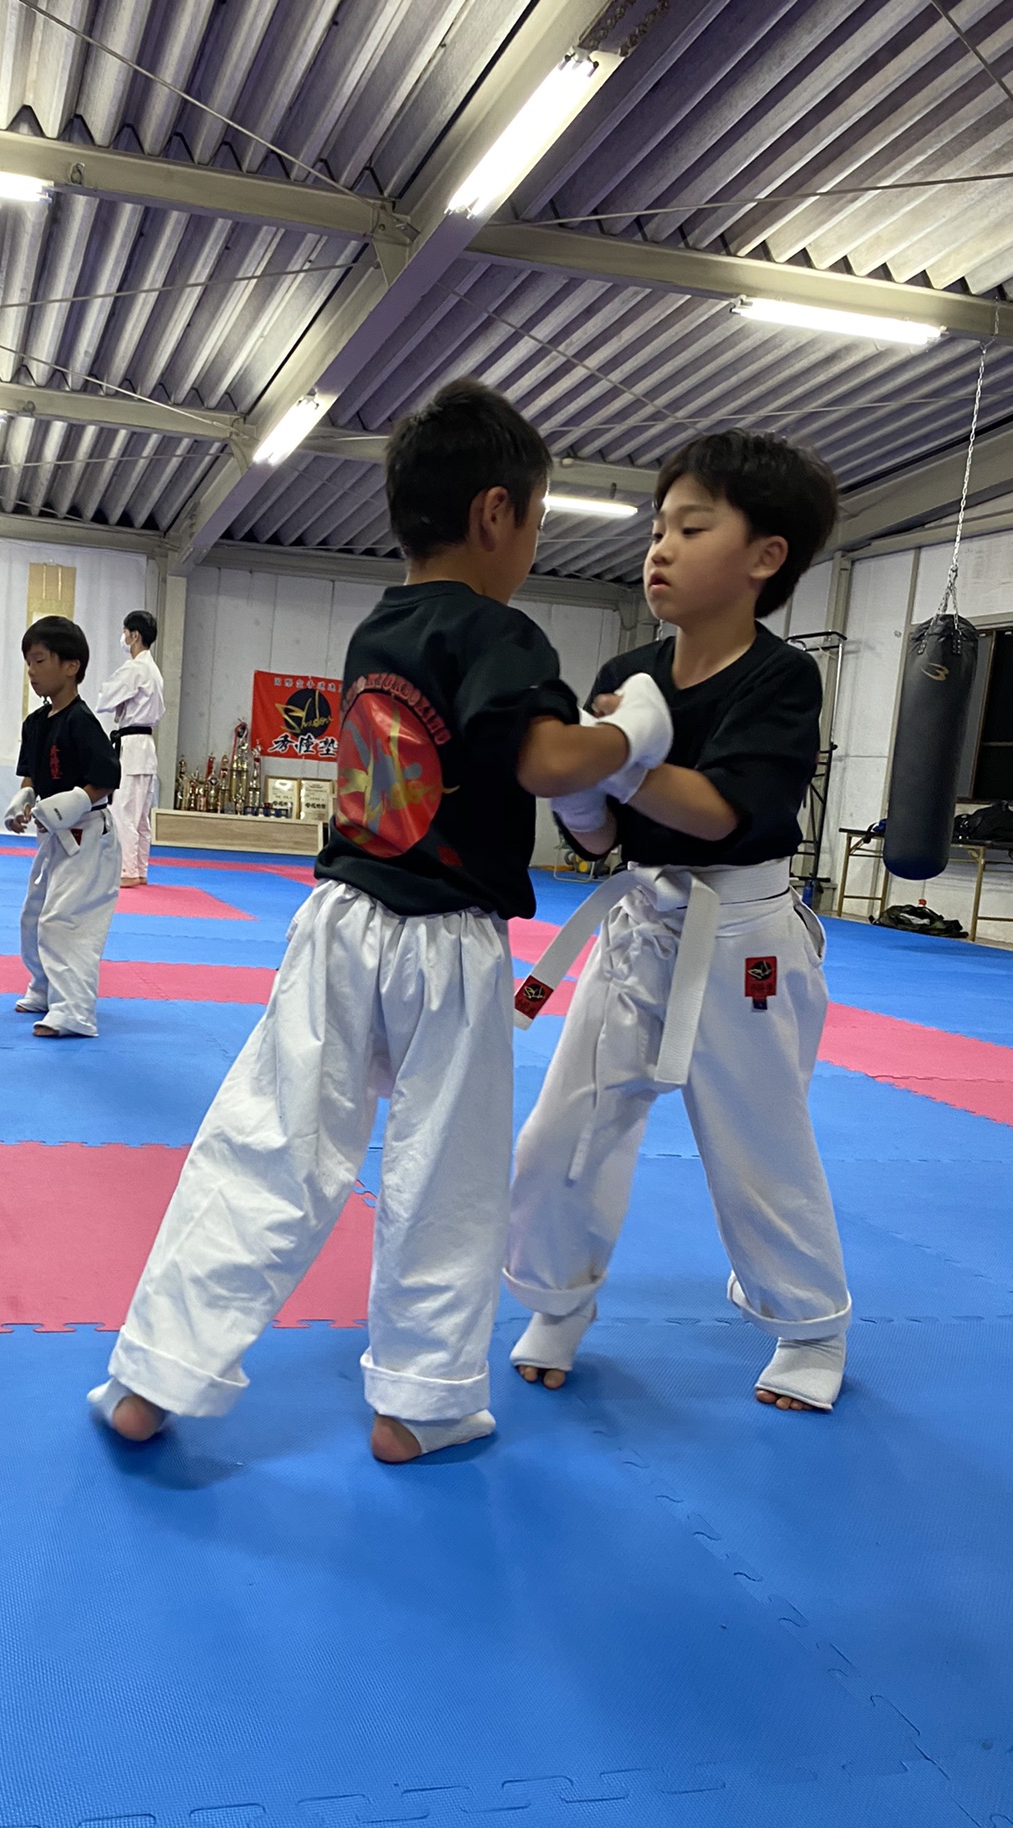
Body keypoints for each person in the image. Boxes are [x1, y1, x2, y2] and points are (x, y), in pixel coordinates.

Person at [85, 379, 673, 1462]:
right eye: (537, 521)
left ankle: (156, 1370)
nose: (533, 545)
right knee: (445, 1174)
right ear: (496, 514)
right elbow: (550, 762)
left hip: (339, 919)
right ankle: (419, 1400)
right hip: (448, 938)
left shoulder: (379, 626)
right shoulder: (501, 631)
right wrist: (637, 725)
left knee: (267, 1146)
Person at [504, 430, 851, 1414]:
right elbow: (605, 834)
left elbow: (718, 812)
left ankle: (810, 1322)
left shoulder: (781, 678)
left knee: (759, 1143)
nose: (660, 546)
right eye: (658, 527)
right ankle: (557, 1300)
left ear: (765, 556)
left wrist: (614, 757)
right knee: (564, 1128)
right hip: (639, 924)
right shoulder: (631, 670)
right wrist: (579, 791)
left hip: (743, 941)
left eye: (692, 528)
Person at [4, 616, 123, 1039]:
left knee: (66, 920)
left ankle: (74, 1010)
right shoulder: (35, 723)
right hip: (55, 835)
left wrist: (76, 800)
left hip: (90, 836)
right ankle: (44, 986)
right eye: (28, 662)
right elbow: (32, 776)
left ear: (71, 666)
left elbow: (107, 777)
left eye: (39, 661)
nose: (32, 671)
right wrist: (24, 799)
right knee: (34, 916)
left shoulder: (82, 721)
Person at [92, 609, 165, 886]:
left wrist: (113, 698)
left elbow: (105, 698)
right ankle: (140, 869)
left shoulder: (135, 668)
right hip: (145, 745)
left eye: (125, 632)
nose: (122, 637)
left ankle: (126, 871)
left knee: (124, 811)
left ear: (134, 636)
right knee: (141, 816)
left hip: (133, 745)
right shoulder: (153, 670)